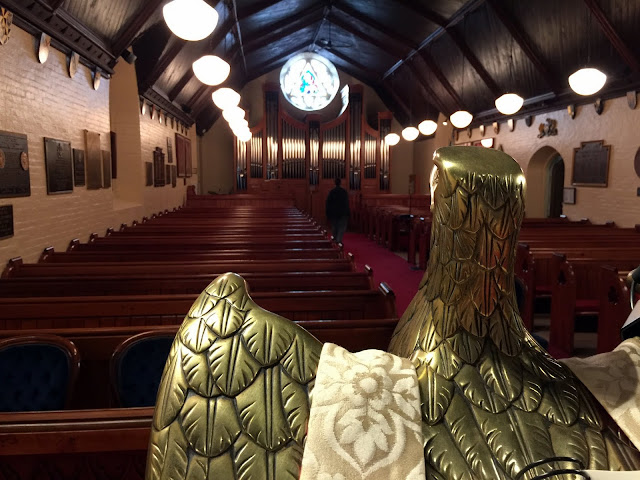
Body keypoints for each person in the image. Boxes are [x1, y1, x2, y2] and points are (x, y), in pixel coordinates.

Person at [325, 177, 350, 243]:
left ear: (335, 183)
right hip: (342, 213)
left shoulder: (332, 192)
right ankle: (338, 240)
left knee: (334, 227)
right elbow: (346, 203)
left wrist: (328, 214)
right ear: (340, 183)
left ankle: (335, 240)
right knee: (341, 228)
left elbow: (328, 203)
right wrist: (347, 213)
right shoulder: (344, 192)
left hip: (334, 213)